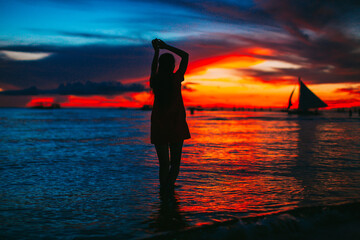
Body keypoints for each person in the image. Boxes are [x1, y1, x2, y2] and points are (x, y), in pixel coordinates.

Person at [150, 39, 191, 192]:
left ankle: (164, 194)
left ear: (161, 65)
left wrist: (156, 52)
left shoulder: (155, 80)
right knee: (175, 164)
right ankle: (168, 192)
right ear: (172, 65)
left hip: (159, 124)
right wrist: (166, 46)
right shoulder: (175, 79)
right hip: (176, 123)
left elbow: (153, 68)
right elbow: (185, 56)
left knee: (163, 165)